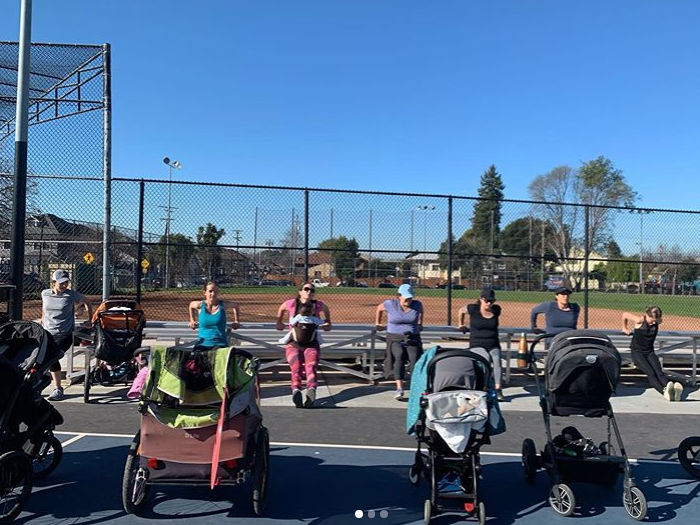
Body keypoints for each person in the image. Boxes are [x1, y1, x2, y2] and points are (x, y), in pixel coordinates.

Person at [276, 282, 331, 408]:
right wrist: (279, 321)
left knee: (311, 367)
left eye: (312, 290)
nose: (309, 292)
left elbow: (327, 315)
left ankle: (311, 390)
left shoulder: (318, 305)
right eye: (306, 289)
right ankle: (296, 390)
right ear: (300, 291)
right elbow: (281, 308)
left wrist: (328, 322)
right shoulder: (291, 303)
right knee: (296, 368)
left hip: (311, 343)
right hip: (294, 343)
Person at [42, 269, 92, 401]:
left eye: (66, 282)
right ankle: (44, 384)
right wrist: (42, 321)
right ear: (53, 282)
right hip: (47, 332)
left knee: (52, 356)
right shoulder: (45, 294)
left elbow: (87, 302)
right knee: (43, 356)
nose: (64, 285)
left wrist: (89, 319)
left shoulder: (71, 295)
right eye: (61, 283)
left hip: (64, 334)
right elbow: (44, 309)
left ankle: (58, 388)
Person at [375, 283, 424, 401]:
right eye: (406, 297)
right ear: (399, 296)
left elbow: (421, 311)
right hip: (395, 337)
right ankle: (399, 388)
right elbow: (379, 308)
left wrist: (420, 324)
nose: (409, 300)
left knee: (415, 360)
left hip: (412, 337)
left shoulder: (417, 304)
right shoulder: (390, 304)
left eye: (410, 297)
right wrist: (378, 323)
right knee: (399, 356)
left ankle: (416, 388)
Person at [622, 306, 682, 401]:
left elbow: (657, 320)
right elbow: (625, 314)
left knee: (659, 373)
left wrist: (656, 320)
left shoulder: (658, 321)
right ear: (647, 315)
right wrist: (624, 327)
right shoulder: (639, 320)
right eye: (652, 320)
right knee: (651, 373)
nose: (654, 322)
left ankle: (672, 389)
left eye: (656, 320)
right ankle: (664, 392)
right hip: (638, 353)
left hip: (650, 352)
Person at [458, 288, 504, 401]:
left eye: (491, 301)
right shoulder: (473, 309)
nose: (489, 303)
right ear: (481, 299)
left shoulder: (496, 310)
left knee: (497, 361)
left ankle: (498, 389)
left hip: (493, 343)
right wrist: (461, 324)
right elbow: (461, 311)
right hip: (477, 342)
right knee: (486, 359)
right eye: (487, 300)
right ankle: (485, 386)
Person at [188, 281, 240, 348]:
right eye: (210, 291)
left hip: (220, 344)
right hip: (202, 345)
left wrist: (236, 320)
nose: (213, 294)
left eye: (216, 291)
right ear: (204, 293)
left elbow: (236, 306)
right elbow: (191, 305)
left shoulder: (223, 305)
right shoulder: (200, 305)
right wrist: (192, 320)